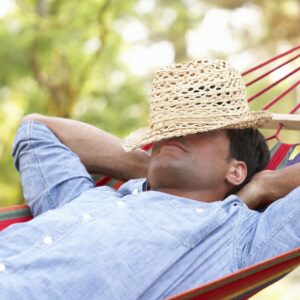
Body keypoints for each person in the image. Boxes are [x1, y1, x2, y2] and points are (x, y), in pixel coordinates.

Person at [0, 58, 299, 299]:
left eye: (203, 127)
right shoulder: (81, 199)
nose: (176, 132)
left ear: (236, 170)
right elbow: (36, 129)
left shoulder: (235, 239)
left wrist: (265, 185)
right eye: (169, 129)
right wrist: (147, 165)